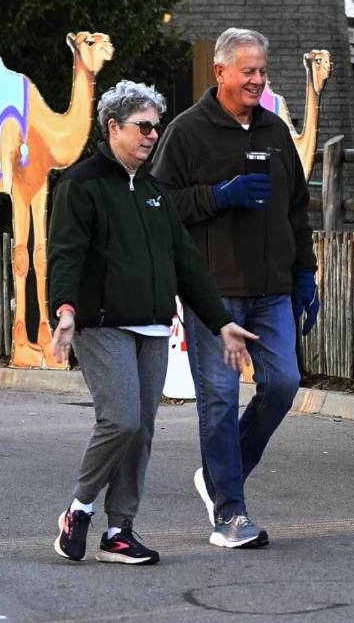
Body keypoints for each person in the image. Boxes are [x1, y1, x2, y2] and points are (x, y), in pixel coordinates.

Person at [48, 80, 258, 565]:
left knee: (141, 430)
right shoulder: (81, 184)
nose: (152, 135)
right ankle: (78, 511)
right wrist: (64, 308)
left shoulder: (155, 191)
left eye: (155, 127)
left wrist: (221, 321)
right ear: (113, 127)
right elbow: (65, 253)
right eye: (142, 126)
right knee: (120, 420)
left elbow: (186, 262)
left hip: (153, 327)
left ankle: (119, 530)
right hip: (101, 325)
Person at [150, 28, 319, 549]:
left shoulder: (274, 131)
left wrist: (305, 272)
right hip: (213, 293)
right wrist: (219, 197)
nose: (257, 80)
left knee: (284, 384)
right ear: (221, 72)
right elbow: (159, 204)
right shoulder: (187, 133)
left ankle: (223, 473)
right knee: (220, 400)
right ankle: (230, 514)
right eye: (248, 71)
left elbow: (296, 209)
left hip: (272, 289)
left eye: (263, 71)